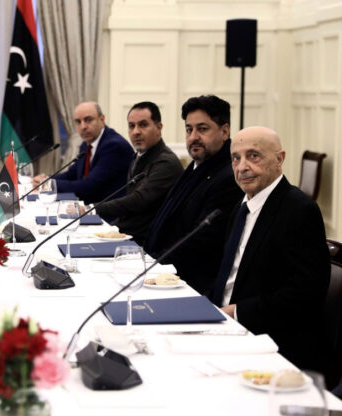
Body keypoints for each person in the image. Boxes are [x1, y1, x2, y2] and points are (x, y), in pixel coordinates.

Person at [212, 126, 329, 372]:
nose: (242, 167)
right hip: (225, 330)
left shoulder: (299, 210)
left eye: (253, 156)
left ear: (279, 159)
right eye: (236, 158)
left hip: (272, 342)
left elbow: (304, 294)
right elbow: (229, 277)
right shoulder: (241, 207)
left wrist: (237, 313)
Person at [143, 95, 243, 294]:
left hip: (189, 285)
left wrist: (155, 266)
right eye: (189, 130)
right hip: (163, 272)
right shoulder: (199, 165)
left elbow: (202, 242)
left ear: (224, 131)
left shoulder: (228, 176)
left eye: (202, 129)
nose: (193, 137)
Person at [94, 102, 183, 245]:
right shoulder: (139, 155)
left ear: (159, 128)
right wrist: (109, 229)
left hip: (146, 244)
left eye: (143, 125)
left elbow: (138, 200)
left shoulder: (166, 162)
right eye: (131, 126)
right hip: (129, 235)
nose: (136, 131)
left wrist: (92, 209)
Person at [32, 101, 134, 204]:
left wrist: (49, 184)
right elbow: (71, 174)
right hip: (90, 205)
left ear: (102, 119)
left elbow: (90, 186)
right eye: (78, 122)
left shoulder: (114, 146)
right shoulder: (86, 144)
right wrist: (46, 179)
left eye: (88, 120)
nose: (83, 126)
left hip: (109, 210)